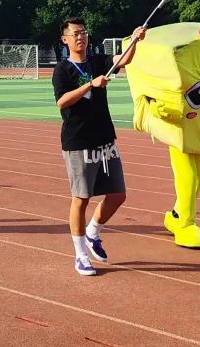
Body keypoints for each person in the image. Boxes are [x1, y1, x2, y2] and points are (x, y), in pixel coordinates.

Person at [53, 17, 145, 276]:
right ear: (65, 39)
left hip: (105, 139)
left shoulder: (97, 61)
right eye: (75, 34)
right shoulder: (63, 70)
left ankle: (93, 232)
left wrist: (134, 40)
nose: (80, 37)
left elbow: (124, 60)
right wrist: (89, 85)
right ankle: (80, 255)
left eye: (83, 32)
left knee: (117, 194)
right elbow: (62, 101)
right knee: (81, 198)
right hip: (78, 141)